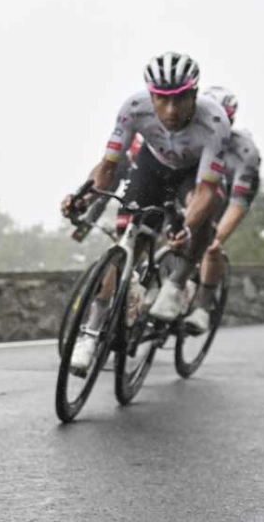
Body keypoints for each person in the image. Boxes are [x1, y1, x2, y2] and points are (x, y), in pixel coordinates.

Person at [61, 52, 231, 370]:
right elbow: (109, 165)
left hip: (193, 176)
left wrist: (188, 226)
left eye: (180, 99)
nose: (170, 110)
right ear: (150, 95)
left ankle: (177, 282)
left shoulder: (215, 121)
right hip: (153, 168)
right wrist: (85, 195)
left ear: (194, 93)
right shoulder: (134, 108)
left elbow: (206, 191)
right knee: (129, 241)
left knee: (203, 218)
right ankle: (90, 332)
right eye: (161, 99)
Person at [193, 85, 260, 335]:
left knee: (212, 245)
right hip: (201, 191)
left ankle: (203, 307)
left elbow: (238, 203)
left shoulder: (245, 151)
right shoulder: (193, 137)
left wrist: (218, 236)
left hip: (231, 197)